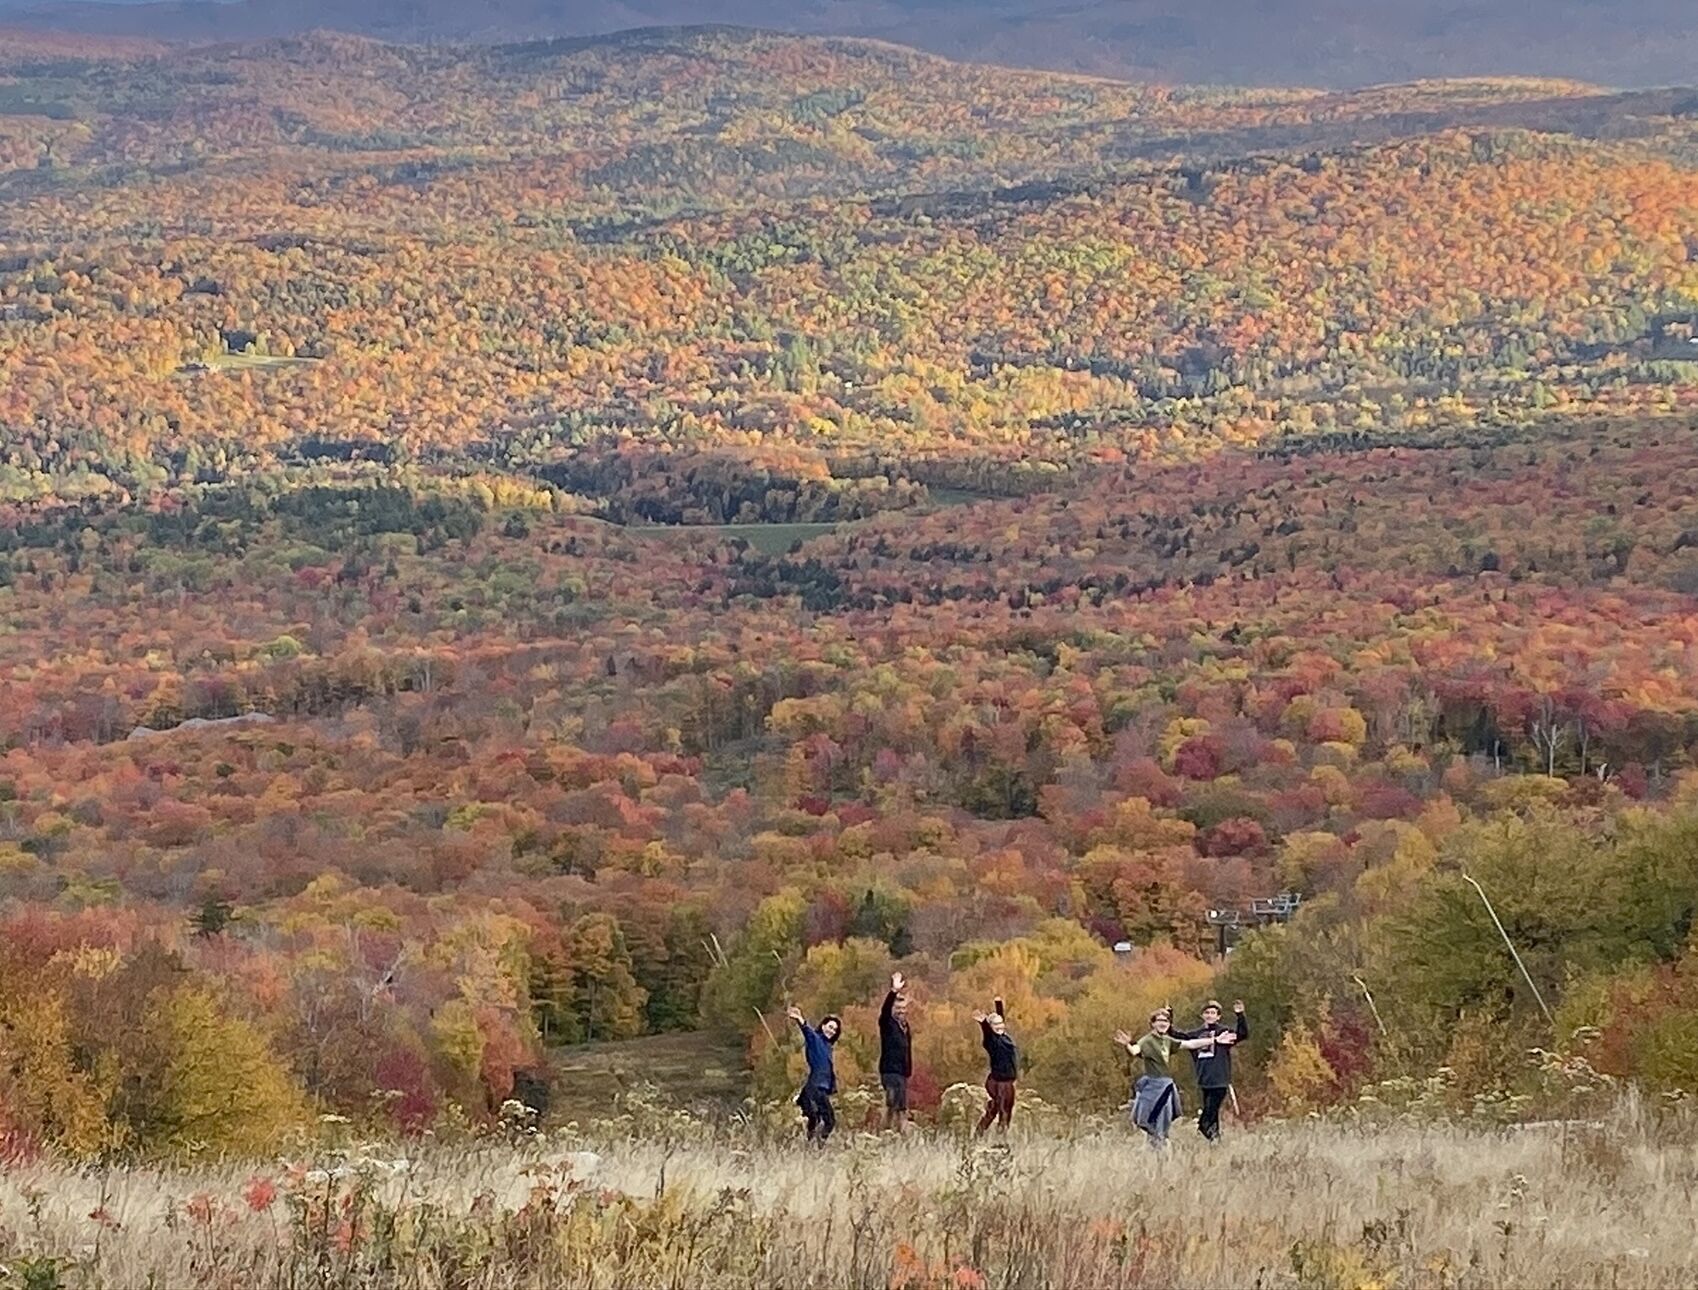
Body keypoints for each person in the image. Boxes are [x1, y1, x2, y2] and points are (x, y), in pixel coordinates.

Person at [1115, 1008, 1229, 1149]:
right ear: (1153, 1024)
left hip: (1166, 1086)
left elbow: (1190, 1044)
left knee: (1163, 1121)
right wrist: (1127, 1044)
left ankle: (1160, 1150)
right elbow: (1135, 1051)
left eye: (1166, 1021)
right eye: (1160, 1021)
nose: (1163, 1024)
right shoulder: (1148, 1040)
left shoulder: (1167, 1040)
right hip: (1152, 1086)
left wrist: (1215, 1040)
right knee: (1147, 1120)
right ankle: (1155, 1148)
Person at [1173, 999, 1248, 1141]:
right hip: (1204, 1079)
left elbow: (1242, 1034)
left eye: (1213, 1013)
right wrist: (1168, 1016)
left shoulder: (1224, 1032)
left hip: (1220, 1080)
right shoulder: (1196, 1034)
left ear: (1218, 1016)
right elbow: (1176, 1036)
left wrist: (1240, 1015)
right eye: (1207, 1012)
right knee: (1212, 1118)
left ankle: (1211, 1138)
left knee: (1205, 1120)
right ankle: (1215, 1143)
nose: (1210, 1015)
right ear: (1202, 1015)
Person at [786, 1004, 841, 1143]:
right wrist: (799, 1019)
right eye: (830, 1027)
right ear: (823, 1026)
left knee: (815, 1118)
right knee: (829, 1121)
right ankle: (817, 1147)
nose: (832, 1031)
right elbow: (807, 1031)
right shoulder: (816, 1039)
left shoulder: (828, 1046)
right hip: (816, 1087)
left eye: (835, 1029)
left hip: (818, 1087)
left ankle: (810, 1144)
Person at [972, 997, 1018, 1135]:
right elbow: (988, 1033)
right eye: (996, 1025)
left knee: (998, 1109)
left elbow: (999, 1021)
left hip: (1007, 1081)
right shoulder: (992, 1042)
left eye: (1001, 1023)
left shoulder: (1004, 1038)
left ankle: (981, 1133)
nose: (1000, 1026)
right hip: (999, 1081)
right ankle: (998, 1137)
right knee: (1003, 1110)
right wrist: (984, 1024)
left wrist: (998, 1005)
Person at [878, 972, 913, 1132]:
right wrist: (893, 991)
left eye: (904, 1008)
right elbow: (885, 1010)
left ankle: (895, 1137)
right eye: (898, 1008)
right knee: (893, 1105)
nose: (901, 1011)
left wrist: (908, 1071)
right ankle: (886, 1135)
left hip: (902, 1073)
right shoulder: (887, 1023)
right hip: (890, 1071)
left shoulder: (905, 1027)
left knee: (899, 1107)